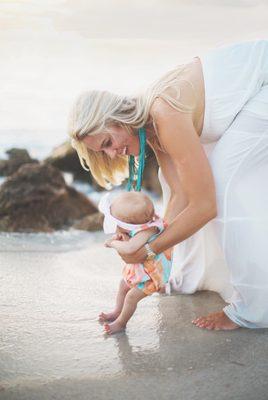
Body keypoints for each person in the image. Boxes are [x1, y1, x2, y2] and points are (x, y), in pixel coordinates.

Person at [69, 39, 268, 330]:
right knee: (194, 180)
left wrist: (148, 251)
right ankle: (189, 272)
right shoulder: (151, 127)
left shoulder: (164, 114)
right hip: (254, 89)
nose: (112, 154)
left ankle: (255, 307)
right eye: (103, 151)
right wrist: (154, 254)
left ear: (118, 119)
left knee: (223, 180)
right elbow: (180, 194)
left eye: (108, 142)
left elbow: (205, 205)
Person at [97, 191, 173, 334]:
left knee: (131, 297)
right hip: (141, 270)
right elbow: (129, 241)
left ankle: (121, 323)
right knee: (123, 285)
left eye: (117, 222)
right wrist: (122, 236)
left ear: (129, 224)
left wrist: (113, 243)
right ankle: (117, 311)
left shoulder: (148, 230)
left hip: (152, 276)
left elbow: (130, 247)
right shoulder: (138, 226)